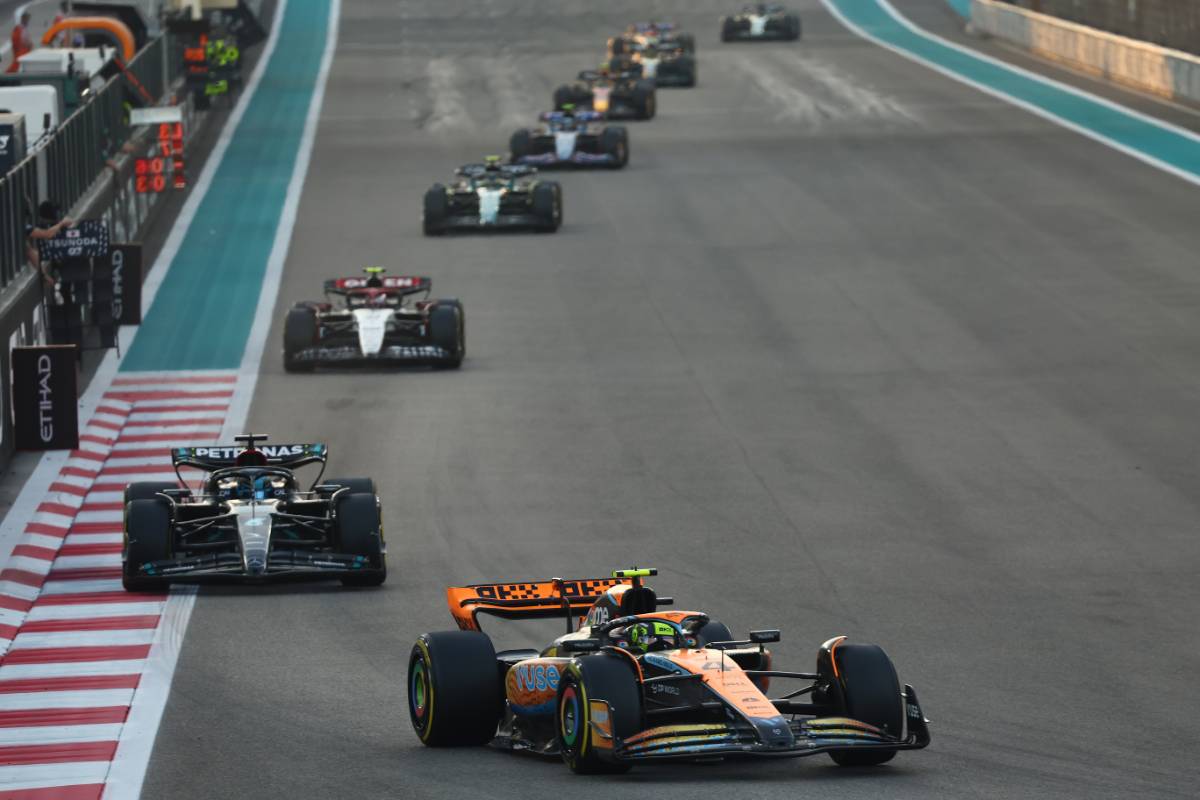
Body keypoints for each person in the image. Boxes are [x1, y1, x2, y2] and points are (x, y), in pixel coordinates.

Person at [25, 202, 74, 289]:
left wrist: (44, 275)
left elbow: (30, 251)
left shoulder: (25, 227)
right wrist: (62, 223)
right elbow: (47, 234)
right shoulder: (25, 227)